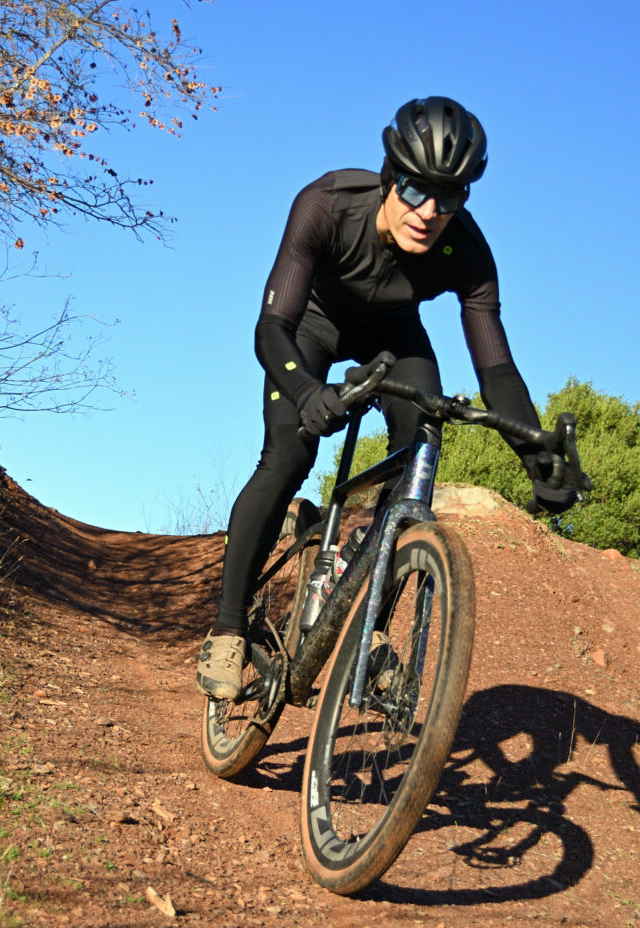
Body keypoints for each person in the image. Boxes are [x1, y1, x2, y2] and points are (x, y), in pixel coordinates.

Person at [197, 96, 579, 701]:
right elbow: (270, 328)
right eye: (415, 189)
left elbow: (497, 370)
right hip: (309, 328)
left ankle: (365, 624)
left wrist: (539, 455)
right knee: (289, 456)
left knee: (422, 449)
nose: (429, 212)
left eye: (448, 198)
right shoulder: (326, 205)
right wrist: (305, 389)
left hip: (394, 337)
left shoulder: (467, 252)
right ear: (389, 176)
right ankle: (227, 629)